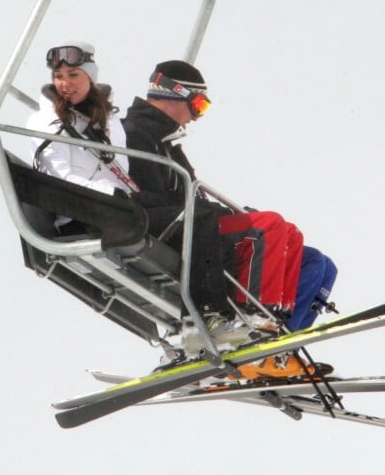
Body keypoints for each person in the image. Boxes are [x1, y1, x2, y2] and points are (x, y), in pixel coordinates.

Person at [122, 60, 335, 377]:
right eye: (198, 104)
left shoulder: (167, 145)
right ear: (172, 92)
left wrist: (229, 213)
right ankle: (252, 327)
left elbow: (192, 195)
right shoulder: (136, 134)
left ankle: (280, 346)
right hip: (177, 226)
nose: (196, 116)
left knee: (314, 259)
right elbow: (154, 196)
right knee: (269, 226)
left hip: (198, 219)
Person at [26, 41, 131, 235]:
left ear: (90, 77)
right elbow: (60, 179)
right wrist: (111, 194)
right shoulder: (46, 122)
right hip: (79, 217)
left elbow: (122, 173)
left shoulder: (109, 120)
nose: (65, 84)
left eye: (73, 75)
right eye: (58, 77)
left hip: (115, 210)